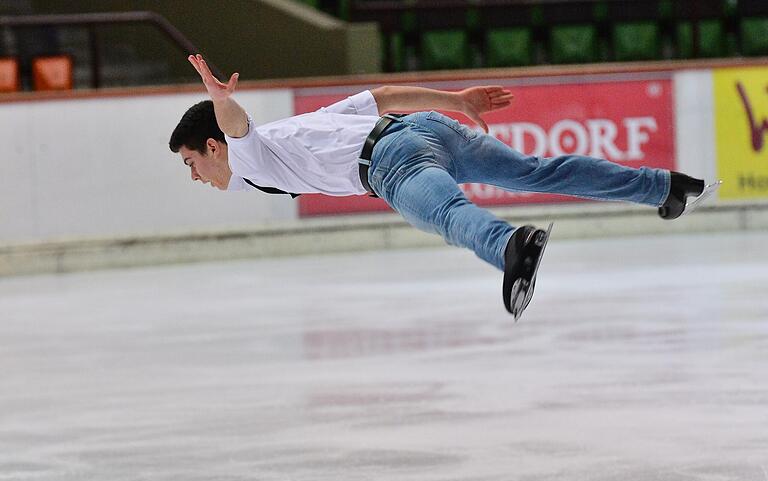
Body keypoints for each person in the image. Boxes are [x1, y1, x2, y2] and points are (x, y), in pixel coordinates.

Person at [170, 54, 719, 320]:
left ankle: (510, 247)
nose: (194, 176)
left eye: (192, 162)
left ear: (214, 147)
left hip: (388, 160)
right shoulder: (285, 137)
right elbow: (382, 96)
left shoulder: (247, 152)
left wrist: (219, 99)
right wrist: (455, 102)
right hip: (426, 129)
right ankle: (665, 188)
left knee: (447, 214)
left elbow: (235, 124)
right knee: (535, 170)